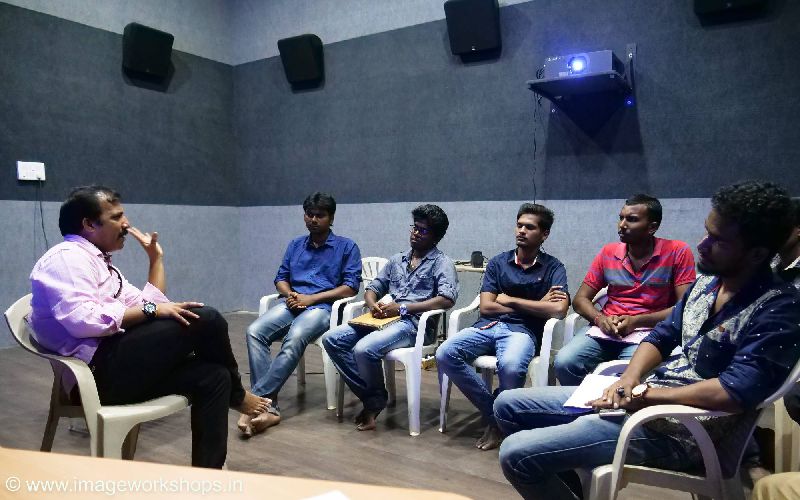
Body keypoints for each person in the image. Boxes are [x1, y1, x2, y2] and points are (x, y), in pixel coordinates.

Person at [494, 181, 800, 499]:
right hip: (647, 403)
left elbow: (733, 392)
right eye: (707, 232)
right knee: (506, 405)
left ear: (757, 254)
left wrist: (645, 396)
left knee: (516, 454)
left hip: (688, 431)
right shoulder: (707, 285)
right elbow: (662, 335)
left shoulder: (778, 309)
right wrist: (629, 378)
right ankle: (569, 487)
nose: (702, 244)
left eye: (718, 240)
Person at [29, 186, 268, 469]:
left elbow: (149, 303)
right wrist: (151, 311)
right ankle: (238, 397)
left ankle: (207, 478)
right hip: (95, 377)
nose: (126, 224)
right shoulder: (67, 259)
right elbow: (84, 321)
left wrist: (155, 260)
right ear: (89, 224)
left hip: (118, 366)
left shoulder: (99, 262)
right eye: (116, 217)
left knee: (215, 377)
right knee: (207, 319)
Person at [436, 203, 569, 451]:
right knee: (445, 353)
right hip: (488, 326)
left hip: (523, 331)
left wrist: (510, 300)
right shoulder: (499, 263)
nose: (522, 231)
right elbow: (487, 306)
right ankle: (497, 416)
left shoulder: (553, 267)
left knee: (511, 366)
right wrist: (536, 304)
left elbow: (559, 309)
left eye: (529, 227)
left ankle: (499, 420)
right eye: (519, 225)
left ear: (544, 234)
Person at [322, 204, 458, 431]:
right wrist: (372, 303)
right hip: (382, 319)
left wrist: (403, 309)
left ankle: (373, 402)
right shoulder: (397, 260)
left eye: (423, 230)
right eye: (414, 227)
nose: (415, 233)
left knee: (364, 349)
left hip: (413, 325)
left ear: (436, 236)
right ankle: (373, 397)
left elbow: (446, 299)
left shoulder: (442, 263)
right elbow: (373, 288)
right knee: (332, 339)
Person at [242, 192, 361, 436]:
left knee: (295, 337)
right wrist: (290, 295)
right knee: (254, 331)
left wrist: (311, 299)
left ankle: (255, 402)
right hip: (293, 303)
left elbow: (351, 287)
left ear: (331, 218)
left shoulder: (346, 247)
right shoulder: (296, 245)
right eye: (309, 214)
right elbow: (281, 278)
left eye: (320, 215)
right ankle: (269, 409)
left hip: (323, 307)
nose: (314, 219)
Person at [554, 194, 696, 386]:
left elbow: (685, 308)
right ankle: (584, 402)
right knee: (565, 362)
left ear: (652, 227)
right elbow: (580, 300)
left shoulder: (677, 251)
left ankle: (616, 404)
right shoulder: (609, 252)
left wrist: (636, 321)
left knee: (628, 373)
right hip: (607, 329)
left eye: (632, 219)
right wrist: (600, 319)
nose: (622, 225)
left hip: (650, 331)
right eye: (621, 218)